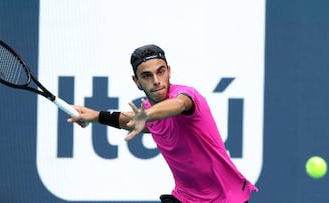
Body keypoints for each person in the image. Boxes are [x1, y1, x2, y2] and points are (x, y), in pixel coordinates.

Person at [68, 44, 258, 202]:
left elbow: (178, 105)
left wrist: (147, 116)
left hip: (225, 198)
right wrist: (95, 116)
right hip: (186, 198)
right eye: (147, 76)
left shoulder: (187, 96)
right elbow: (128, 120)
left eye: (161, 72)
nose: (156, 81)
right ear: (137, 81)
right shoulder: (148, 115)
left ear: (169, 71)